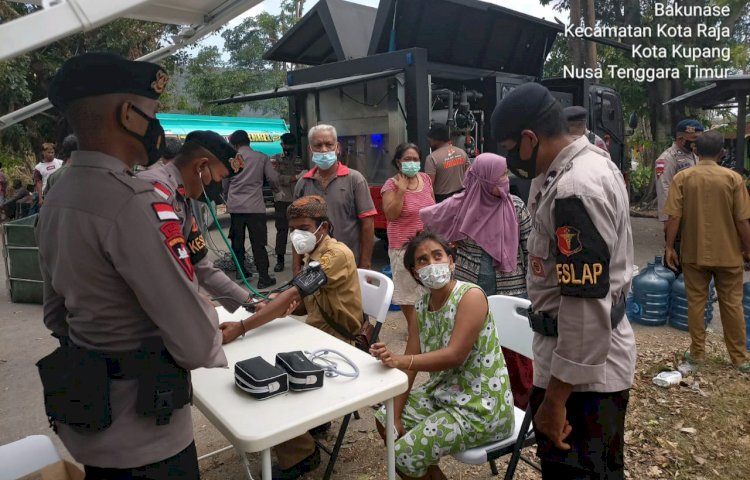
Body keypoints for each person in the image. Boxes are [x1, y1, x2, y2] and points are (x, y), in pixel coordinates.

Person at [37, 52, 226, 480]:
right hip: (148, 434)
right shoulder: (135, 203)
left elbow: (55, 315)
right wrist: (209, 313)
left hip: (92, 420)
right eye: (153, 112)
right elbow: (196, 343)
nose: (157, 126)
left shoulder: (58, 198)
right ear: (128, 114)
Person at [491, 82, 636, 479]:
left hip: (581, 379)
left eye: (508, 147)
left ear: (529, 138)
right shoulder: (572, 166)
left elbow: (585, 306)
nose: (507, 160)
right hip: (567, 361)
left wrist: (554, 401)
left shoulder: (575, 189)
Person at [221, 195, 363, 479]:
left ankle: (301, 454)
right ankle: (308, 427)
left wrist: (243, 326)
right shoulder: (315, 254)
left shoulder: (335, 255)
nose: (298, 233)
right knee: (265, 353)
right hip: (316, 334)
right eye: (294, 227)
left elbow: (296, 292)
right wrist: (278, 307)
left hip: (337, 345)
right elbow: (302, 302)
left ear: (323, 226)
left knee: (272, 382)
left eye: (304, 226)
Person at [369, 230, 515, 480]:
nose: (431, 264)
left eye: (437, 255)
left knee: (404, 455)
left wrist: (400, 359)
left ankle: (415, 457)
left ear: (451, 260)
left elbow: (455, 355)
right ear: (415, 272)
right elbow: (410, 367)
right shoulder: (421, 307)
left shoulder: (470, 296)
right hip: (444, 395)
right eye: (422, 260)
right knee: (385, 416)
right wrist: (395, 414)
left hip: (481, 407)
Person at [420, 152, 534, 409]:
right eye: (500, 175)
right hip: (471, 289)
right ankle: (477, 399)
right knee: (474, 344)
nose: (505, 179)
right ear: (483, 178)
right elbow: (431, 218)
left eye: (506, 173)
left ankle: (517, 404)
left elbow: (530, 248)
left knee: (512, 349)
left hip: (511, 288)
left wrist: (533, 289)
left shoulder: (515, 206)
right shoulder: (463, 205)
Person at [138, 130, 253, 313]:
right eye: (220, 177)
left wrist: (249, 301)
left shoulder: (182, 197)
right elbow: (162, 273)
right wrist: (199, 306)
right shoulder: (155, 194)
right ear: (201, 167)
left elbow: (200, 264)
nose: (219, 185)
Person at [664, 130, 750, 374]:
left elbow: (674, 216)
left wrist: (670, 247)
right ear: (722, 153)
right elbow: (743, 221)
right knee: (732, 304)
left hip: (694, 254)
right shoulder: (734, 179)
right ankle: (740, 358)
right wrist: (748, 249)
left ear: (695, 151)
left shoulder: (683, 178)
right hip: (729, 254)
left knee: (696, 303)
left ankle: (698, 353)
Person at [293, 124, 376, 273]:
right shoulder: (303, 183)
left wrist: (365, 266)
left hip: (348, 263)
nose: (324, 149)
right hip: (313, 264)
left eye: (329, 144)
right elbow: (296, 230)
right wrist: (296, 268)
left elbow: (368, 225)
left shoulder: (355, 180)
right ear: (310, 149)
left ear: (337, 148)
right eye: (318, 145)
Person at [380, 142, 435, 335]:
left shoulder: (426, 179)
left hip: (425, 247)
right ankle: (415, 333)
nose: (412, 163)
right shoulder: (391, 185)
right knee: (406, 294)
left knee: (427, 291)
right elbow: (391, 215)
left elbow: (432, 209)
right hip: (402, 249)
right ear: (398, 162)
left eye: (415, 159)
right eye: (407, 159)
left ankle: (423, 330)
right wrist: (401, 191)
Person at [227, 129, 280, 288]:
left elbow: (225, 182)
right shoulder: (261, 157)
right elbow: (272, 179)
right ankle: (263, 278)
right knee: (258, 243)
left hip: (235, 207)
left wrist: (225, 196)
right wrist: (277, 190)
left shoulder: (232, 159)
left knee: (237, 241)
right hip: (255, 207)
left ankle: (241, 272)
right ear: (248, 141)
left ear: (235, 144)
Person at [656, 119, 704, 272]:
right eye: (693, 140)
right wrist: (666, 221)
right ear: (680, 139)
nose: (696, 144)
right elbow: (664, 189)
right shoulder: (667, 158)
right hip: (677, 218)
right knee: (676, 261)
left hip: (693, 216)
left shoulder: (695, 156)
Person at [270, 132, 305, 272]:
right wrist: (296, 177)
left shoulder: (300, 160)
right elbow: (276, 178)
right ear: (282, 144)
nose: (287, 147)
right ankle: (280, 260)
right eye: (285, 144)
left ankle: (301, 259)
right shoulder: (275, 159)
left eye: (289, 145)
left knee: (299, 230)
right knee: (282, 230)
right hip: (282, 200)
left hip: (298, 200)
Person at [424, 123, 469, 203]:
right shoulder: (462, 152)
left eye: (429, 140)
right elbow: (470, 177)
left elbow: (429, 186)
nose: (429, 142)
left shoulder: (432, 158)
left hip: (442, 201)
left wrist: (433, 206)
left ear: (435, 139)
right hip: (461, 198)